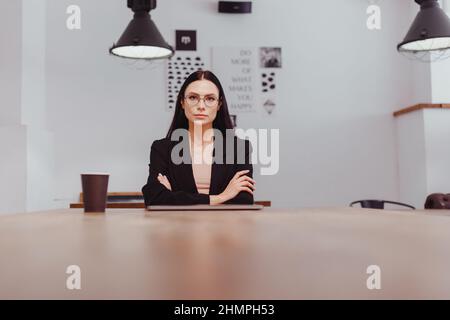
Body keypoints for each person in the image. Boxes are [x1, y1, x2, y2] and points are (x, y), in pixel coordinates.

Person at [142, 70, 255, 206]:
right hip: (176, 225)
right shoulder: (162, 149)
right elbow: (154, 197)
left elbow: (244, 200)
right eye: (193, 98)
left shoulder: (239, 148)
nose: (201, 106)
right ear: (182, 103)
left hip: (224, 226)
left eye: (210, 99)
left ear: (219, 104)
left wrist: (174, 196)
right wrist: (221, 197)